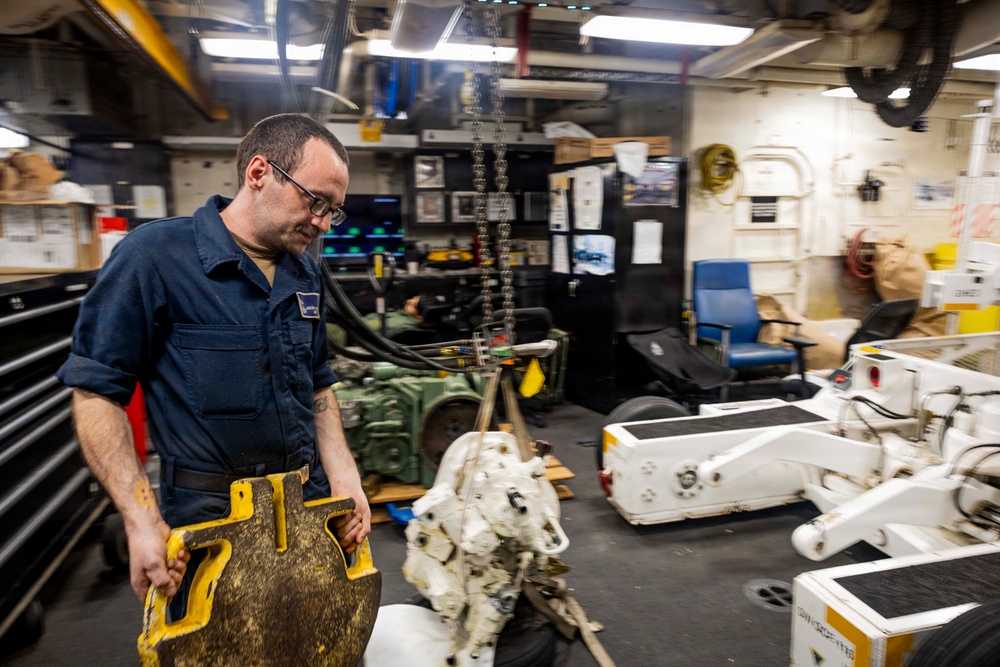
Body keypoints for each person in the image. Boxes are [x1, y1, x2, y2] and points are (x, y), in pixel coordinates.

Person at [57, 113, 371, 606]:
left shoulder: (304, 271)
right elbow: (97, 392)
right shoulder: (154, 257)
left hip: (306, 509)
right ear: (259, 172)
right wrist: (139, 519)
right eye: (316, 201)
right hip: (210, 524)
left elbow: (318, 385)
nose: (324, 222)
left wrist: (346, 479)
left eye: (335, 210)